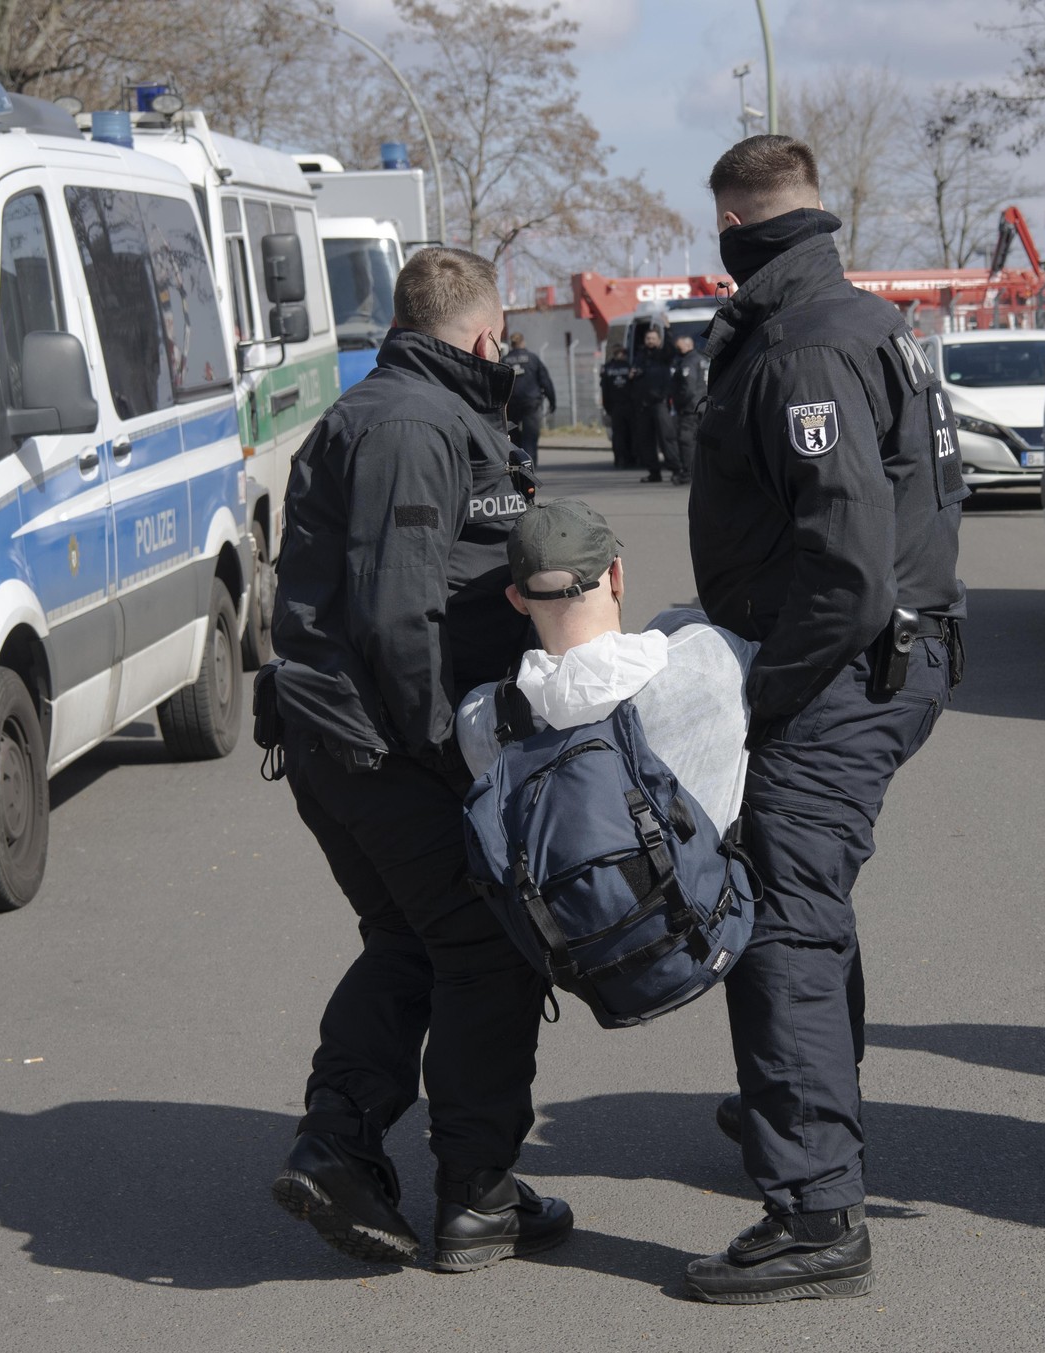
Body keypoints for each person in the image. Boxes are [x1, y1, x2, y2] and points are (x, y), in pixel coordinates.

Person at [683, 135, 967, 1303]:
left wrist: (755, 693)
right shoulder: (861, 320)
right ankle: (805, 1121)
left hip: (842, 669)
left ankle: (814, 1212)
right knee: (806, 903)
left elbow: (847, 571)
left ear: (737, 232)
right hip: (881, 658)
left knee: (783, 927)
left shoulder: (801, 349)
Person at [267, 247, 573, 1273]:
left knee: (410, 943)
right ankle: (475, 1197)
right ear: (485, 336)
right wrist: (461, 765)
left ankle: (340, 1150)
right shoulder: (410, 425)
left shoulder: (425, 412)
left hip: (360, 744)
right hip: (388, 750)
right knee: (488, 953)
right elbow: (401, 617)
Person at [455, 498, 754, 833]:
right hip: (705, 882)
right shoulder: (711, 659)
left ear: (517, 600)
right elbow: (677, 625)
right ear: (616, 576)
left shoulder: (480, 720)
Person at [631, 326, 683, 484]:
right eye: (648, 338)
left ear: (658, 340)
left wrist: (667, 330)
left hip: (660, 403)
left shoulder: (663, 355)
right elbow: (634, 373)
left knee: (667, 437)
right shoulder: (640, 356)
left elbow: (671, 349)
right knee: (646, 440)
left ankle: (676, 470)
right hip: (643, 405)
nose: (650, 341)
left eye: (653, 338)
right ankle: (654, 472)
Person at [502, 332, 556, 461]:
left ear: (511, 344)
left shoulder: (504, 361)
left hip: (511, 405)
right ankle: (529, 468)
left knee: (513, 438)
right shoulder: (533, 358)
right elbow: (545, 381)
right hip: (531, 403)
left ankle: (517, 466)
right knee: (530, 437)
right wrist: (552, 402)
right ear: (523, 342)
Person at [669, 335, 707, 476]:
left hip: (690, 407)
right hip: (702, 405)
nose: (677, 350)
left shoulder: (688, 362)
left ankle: (688, 471)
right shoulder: (702, 359)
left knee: (686, 440)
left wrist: (679, 403)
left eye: (679, 347)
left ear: (688, 345)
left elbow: (688, 388)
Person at [599, 344, 636, 468]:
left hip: (616, 406)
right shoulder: (629, 366)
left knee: (619, 434)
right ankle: (628, 459)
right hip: (627, 405)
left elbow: (604, 389)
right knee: (628, 433)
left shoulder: (607, 368)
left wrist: (607, 406)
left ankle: (620, 460)